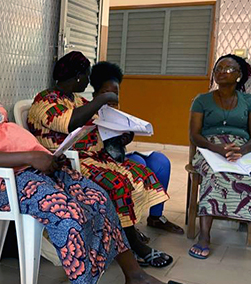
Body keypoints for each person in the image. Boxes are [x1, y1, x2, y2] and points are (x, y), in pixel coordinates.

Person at [0, 35, 194, 284]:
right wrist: (31, 155)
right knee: (68, 216)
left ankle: (134, 275)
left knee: (98, 197)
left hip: (28, 167)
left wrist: (43, 158)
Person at [27, 52, 174, 268]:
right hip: (65, 165)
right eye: (86, 75)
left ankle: (125, 233)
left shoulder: (75, 99)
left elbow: (100, 125)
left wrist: (125, 132)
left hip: (92, 158)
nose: (88, 81)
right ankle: (134, 245)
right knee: (118, 185)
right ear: (78, 76)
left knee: (142, 173)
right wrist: (102, 99)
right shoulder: (45, 101)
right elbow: (69, 123)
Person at [89, 61, 184, 237]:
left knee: (161, 161)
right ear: (96, 92)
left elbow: (119, 139)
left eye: (115, 94)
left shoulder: (115, 109)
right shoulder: (88, 110)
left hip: (120, 155)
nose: (111, 98)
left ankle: (156, 216)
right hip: (103, 161)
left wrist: (128, 136)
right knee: (139, 163)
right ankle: (130, 224)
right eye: (105, 93)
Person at [188, 54, 251, 258]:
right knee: (215, 175)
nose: (222, 71)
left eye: (229, 68)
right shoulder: (202, 100)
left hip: (242, 148)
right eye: (218, 68)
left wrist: (241, 151)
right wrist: (217, 149)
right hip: (208, 148)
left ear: (239, 75)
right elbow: (195, 135)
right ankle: (204, 236)